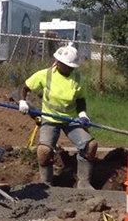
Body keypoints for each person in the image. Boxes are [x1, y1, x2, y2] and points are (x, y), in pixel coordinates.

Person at [19, 46, 97, 189]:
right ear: (58, 62)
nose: (69, 69)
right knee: (44, 151)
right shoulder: (45, 75)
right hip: (50, 119)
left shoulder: (79, 79)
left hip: (71, 120)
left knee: (90, 146)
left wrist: (82, 114)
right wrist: (23, 101)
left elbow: (80, 100)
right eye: (67, 65)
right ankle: (46, 184)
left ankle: (84, 183)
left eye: (71, 66)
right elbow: (24, 88)